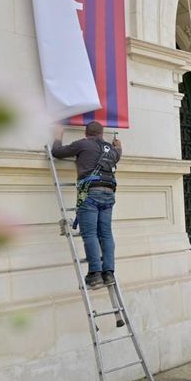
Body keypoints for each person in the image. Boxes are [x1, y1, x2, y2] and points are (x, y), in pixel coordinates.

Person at [51, 122, 122, 290]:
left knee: (90, 234)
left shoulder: (82, 144)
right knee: (106, 234)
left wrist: (59, 134)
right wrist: (118, 146)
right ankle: (109, 273)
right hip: (109, 193)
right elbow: (118, 155)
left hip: (90, 193)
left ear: (86, 133)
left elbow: (57, 152)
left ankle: (95, 274)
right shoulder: (111, 150)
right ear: (102, 134)